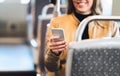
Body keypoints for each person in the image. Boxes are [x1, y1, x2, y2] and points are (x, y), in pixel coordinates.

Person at [44, 0, 119, 76]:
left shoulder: (110, 25)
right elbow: (50, 67)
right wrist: (54, 53)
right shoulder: (57, 23)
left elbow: (115, 64)